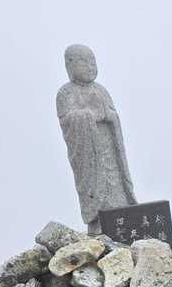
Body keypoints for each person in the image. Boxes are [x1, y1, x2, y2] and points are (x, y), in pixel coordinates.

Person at [56, 45, 134, 233]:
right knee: (98, 191)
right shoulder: (66, 93)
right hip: (89, 156)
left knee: (116, 187)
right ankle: (99, 224)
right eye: (84, 62)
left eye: (93, 62)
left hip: (110, 151)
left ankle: (124, 218)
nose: (90, 67)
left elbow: (113, 115)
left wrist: (109, 115)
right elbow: (67, 119)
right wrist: (91, 115)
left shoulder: (101, 90)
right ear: (70, 65)